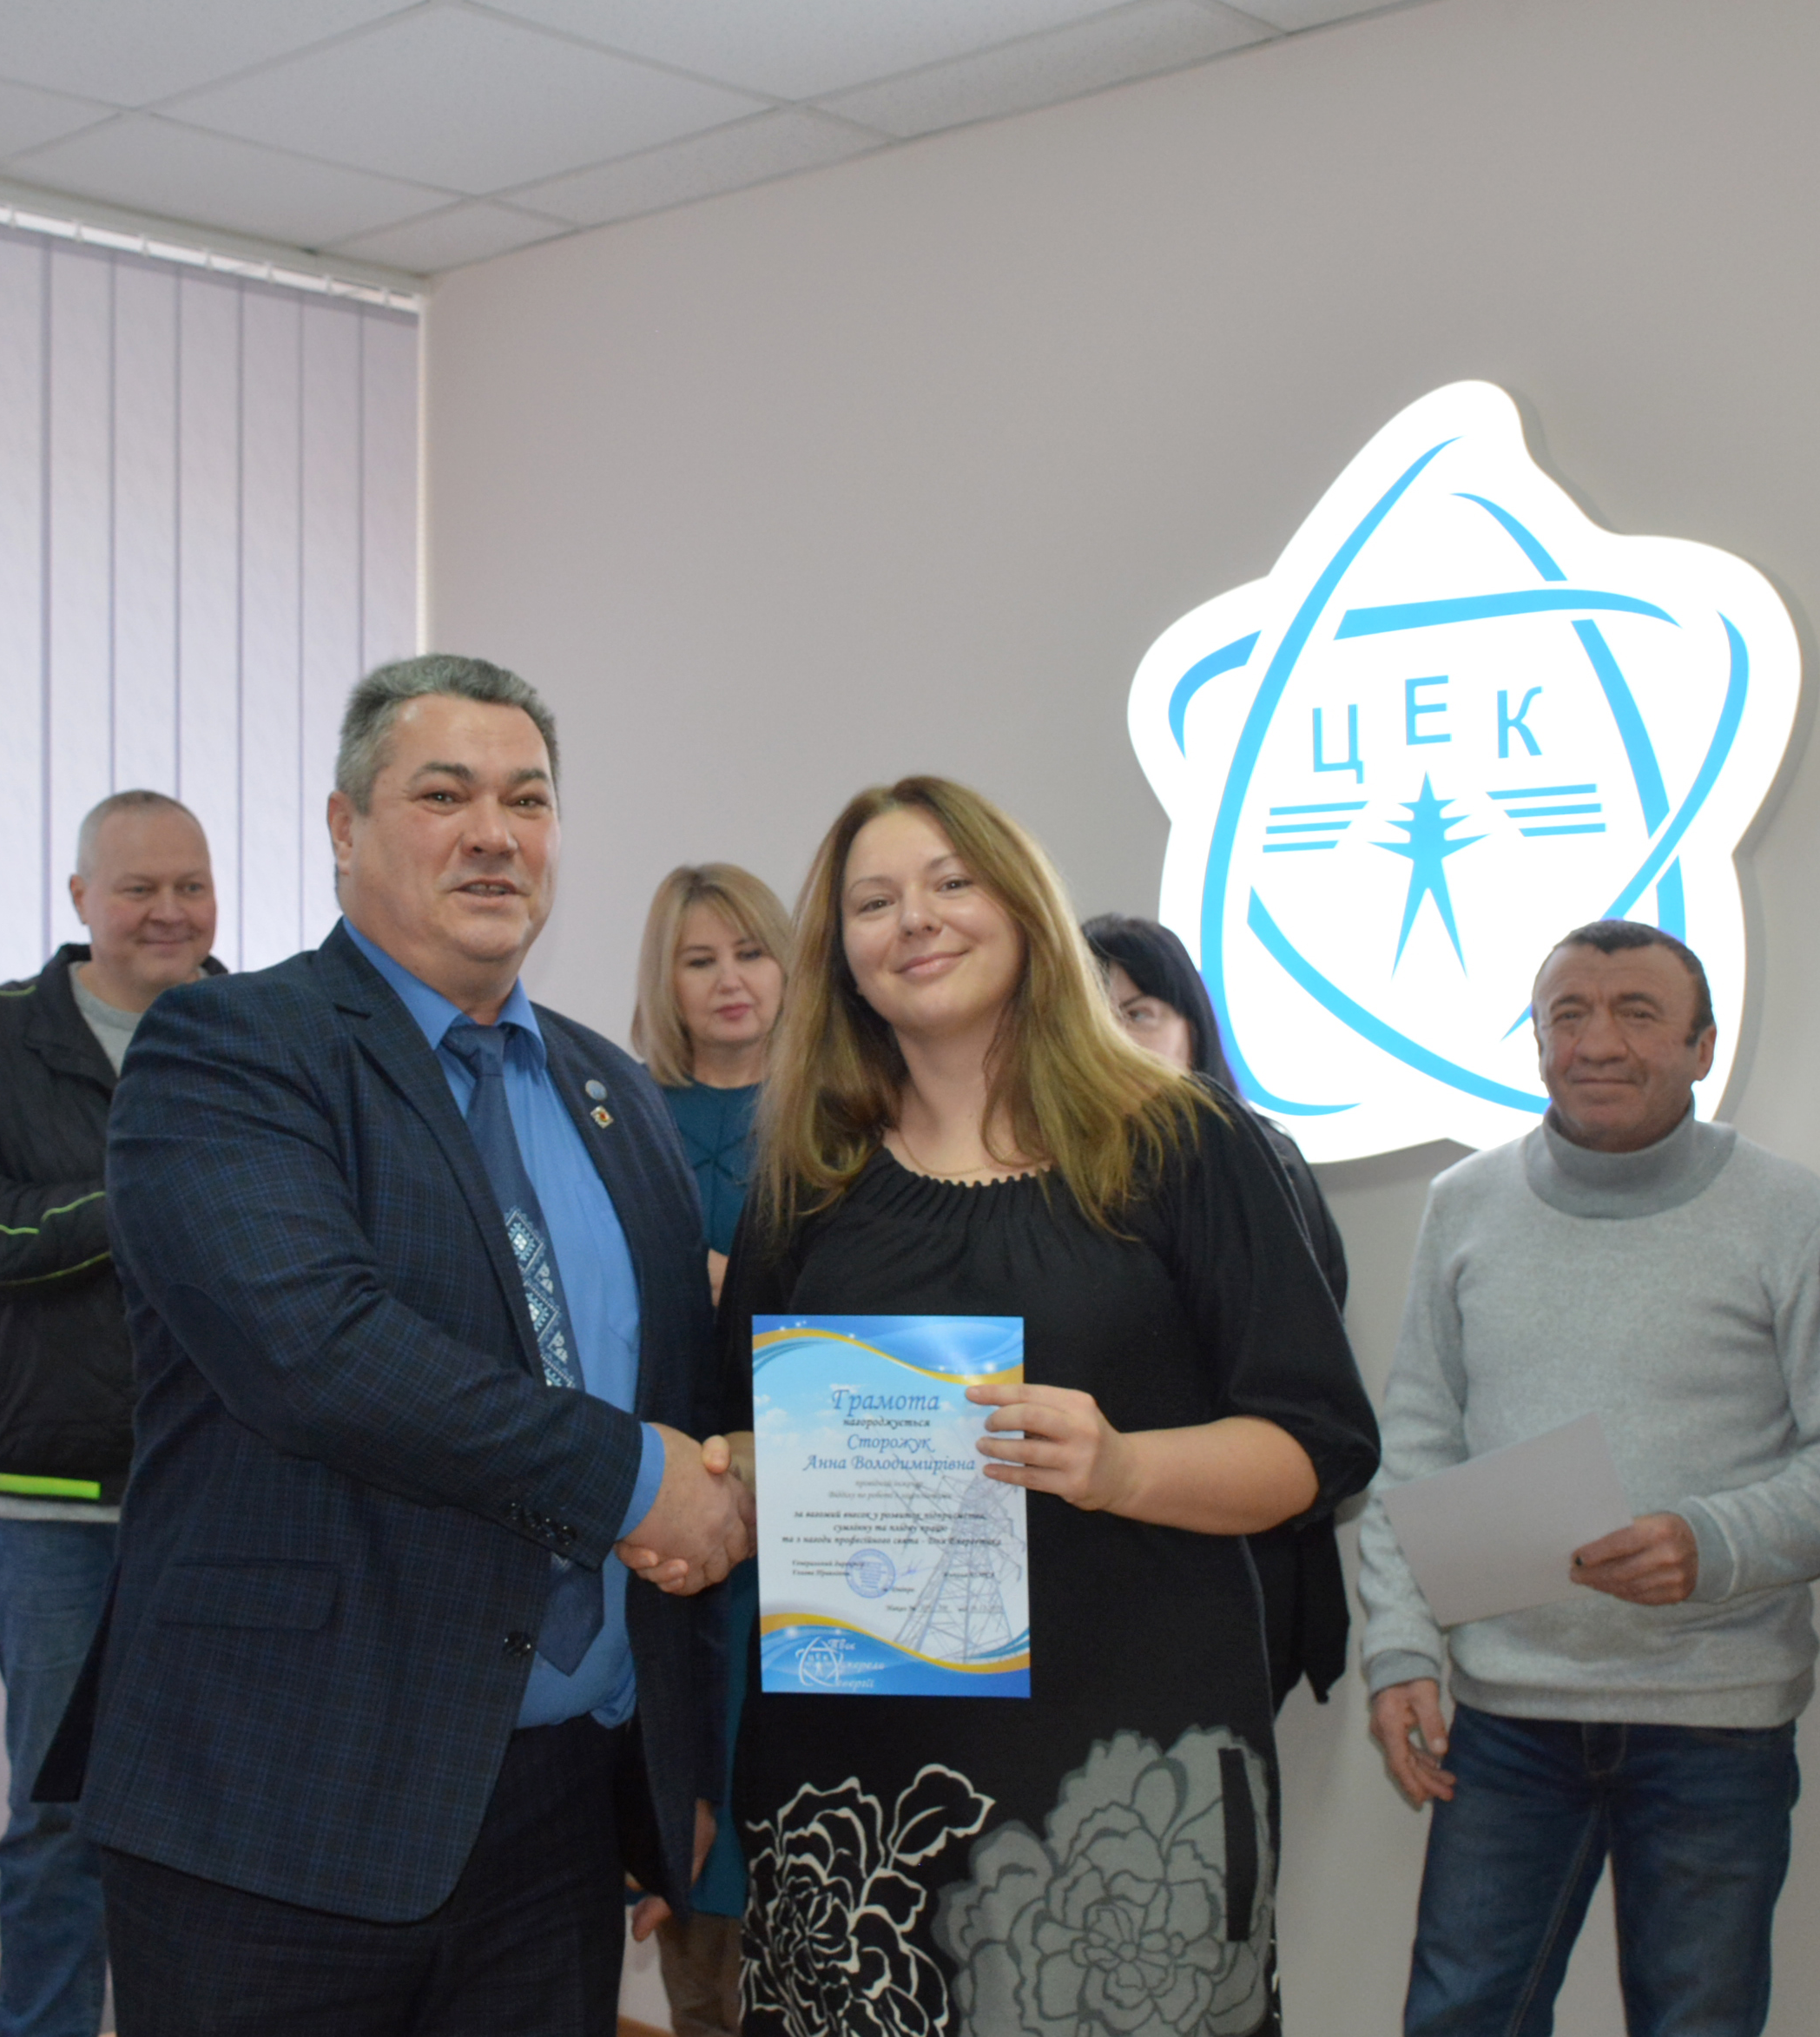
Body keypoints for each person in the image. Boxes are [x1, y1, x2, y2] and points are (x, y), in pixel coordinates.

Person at [55, 656, 748, 2037]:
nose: (494, 833)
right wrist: (638, 1481)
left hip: (558, 1817)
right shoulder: (229, 1048)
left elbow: (677, 1394)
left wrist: (672, 1759)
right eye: (444, 795)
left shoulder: (614, 1091)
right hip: (279, 1807)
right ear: (343, 825)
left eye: (527, 800)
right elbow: (321, 1351)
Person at [651, 776, 1378, 2036]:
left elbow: (1315, 1444)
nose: (913, 920)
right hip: (850, 1790)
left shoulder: (1181, 1143)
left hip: (1122, 1778)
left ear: (1025, 907)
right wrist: (722, 1485)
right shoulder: (808, 1179)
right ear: (842, 959)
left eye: (950, 883)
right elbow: (745, 1439)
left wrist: (1121, 1467)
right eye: (872, 903)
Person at [1359, 920, 1820, 2037]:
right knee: (1459, 2018)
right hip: (1503, 1720)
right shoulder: (1463, 1203)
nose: (1596, 1042)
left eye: (1635, 1014)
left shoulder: (1791, 1212)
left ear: (1702, 1048)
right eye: (1566, 1016)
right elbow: (1415, 1443)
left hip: (1714, 1720)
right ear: (1535, 1045)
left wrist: (1710, 1543)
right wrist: (1400, 1648)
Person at [0, 790, 221, 2037]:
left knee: (228, 1819)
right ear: (82, 898)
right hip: (55, 1511)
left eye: (191, 885)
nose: (169, 911)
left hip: (231, 1498)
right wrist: (121, 1206)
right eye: (139, 888)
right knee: (58, 1824)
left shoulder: (260, 1029)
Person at [1082, 912, 1355, 1711]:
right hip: (1104, 1571)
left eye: (1139, 1014)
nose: (1116, 1041)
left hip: (1226, 1552)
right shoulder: (1042, 1176)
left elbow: (1297, 1392)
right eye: (1092, 1018)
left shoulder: (1255, 1162)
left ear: (1192, 1030)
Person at [631, 864, 795, 2037]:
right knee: (683, 1791)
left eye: (750, 951)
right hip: (668, 1501)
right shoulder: (622, 1115)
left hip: (805, 1495)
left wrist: (740, 1288)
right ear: (666, 981)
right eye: (699, 960)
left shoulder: (843, 1117)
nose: (729, 980)